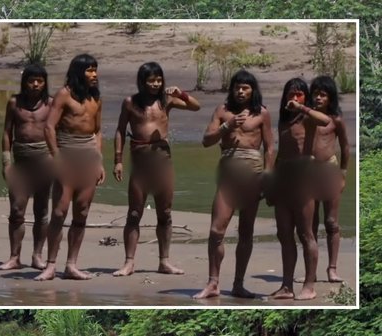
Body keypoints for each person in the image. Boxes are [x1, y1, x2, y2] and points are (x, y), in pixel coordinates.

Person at [112, 62, 201, 277]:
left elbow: (196, 107)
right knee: (134, 214)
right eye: (151, 80)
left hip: (163, 165)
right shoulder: (130, 103)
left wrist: (182, 94)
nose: (155, 84)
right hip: (140, 167)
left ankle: (164, 261)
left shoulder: (167, 100)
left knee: (165, 214)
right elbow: (120, 131)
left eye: (159, 80)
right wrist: (118, 160)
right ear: (142, 81)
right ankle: (129, 262)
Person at [194, 70, 274, 299]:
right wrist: (226, 127)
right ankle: (213, 283)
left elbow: (269, 147)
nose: (241, 91)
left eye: (245, 88)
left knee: (246, 232)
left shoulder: (262, 113)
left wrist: (269, 177)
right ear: (232, 89)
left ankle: (238, 284)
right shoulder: (222, 111)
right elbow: (206, 141)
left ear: (252, 90)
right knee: (216, 230)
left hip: (253, 176)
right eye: (237, 87)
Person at [36, 54, 105, 281]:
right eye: (89, 70)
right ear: (78, 72)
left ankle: (71, 265)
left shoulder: (96, 98)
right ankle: (50, 265)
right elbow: (49, 127)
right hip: (66, 157)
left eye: (95, 69)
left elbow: (98, 131)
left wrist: (100, 161)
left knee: (82, 212)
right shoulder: (64, 95)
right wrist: (56, 158)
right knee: (58, 212)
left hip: (89, 160)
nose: (94, 74)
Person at [270, 77, 332, 301]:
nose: (294, 98)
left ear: (305, 96)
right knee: (284, 234)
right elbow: (280, 152)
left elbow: (325, 120)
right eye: (291, 95)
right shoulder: (283, 120)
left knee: (306, 235)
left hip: (303, 181)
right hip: (283, 181)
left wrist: (303, 107)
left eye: (299, 94)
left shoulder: (308, 117)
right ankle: (287, 286)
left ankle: (309, 285)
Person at [0, 63, 54, 271]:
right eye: (32, 80)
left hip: (44, 163)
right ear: (25, 82)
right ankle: (14, 257)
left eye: (40, 81)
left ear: (45, 82)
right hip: (20, 164)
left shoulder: (51, 104)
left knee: (41, 211)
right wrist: (6, 163)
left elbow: (60, 132)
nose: (36, 84)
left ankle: (37, 256)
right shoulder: (15, 103)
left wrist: (55, 157)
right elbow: (6, 133)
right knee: (16, 210)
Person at [308, 75, 350, 283]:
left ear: (330, 98)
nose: (318, 98)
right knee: (311, 223)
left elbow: (345, 147)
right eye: (315, 94)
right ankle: (311, 271)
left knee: (332, 222)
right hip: (310, 174)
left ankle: (332, 268)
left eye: (322, 95)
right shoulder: (306, 118)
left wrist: (343, 173)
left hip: (330, 171)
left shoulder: (336, 120)